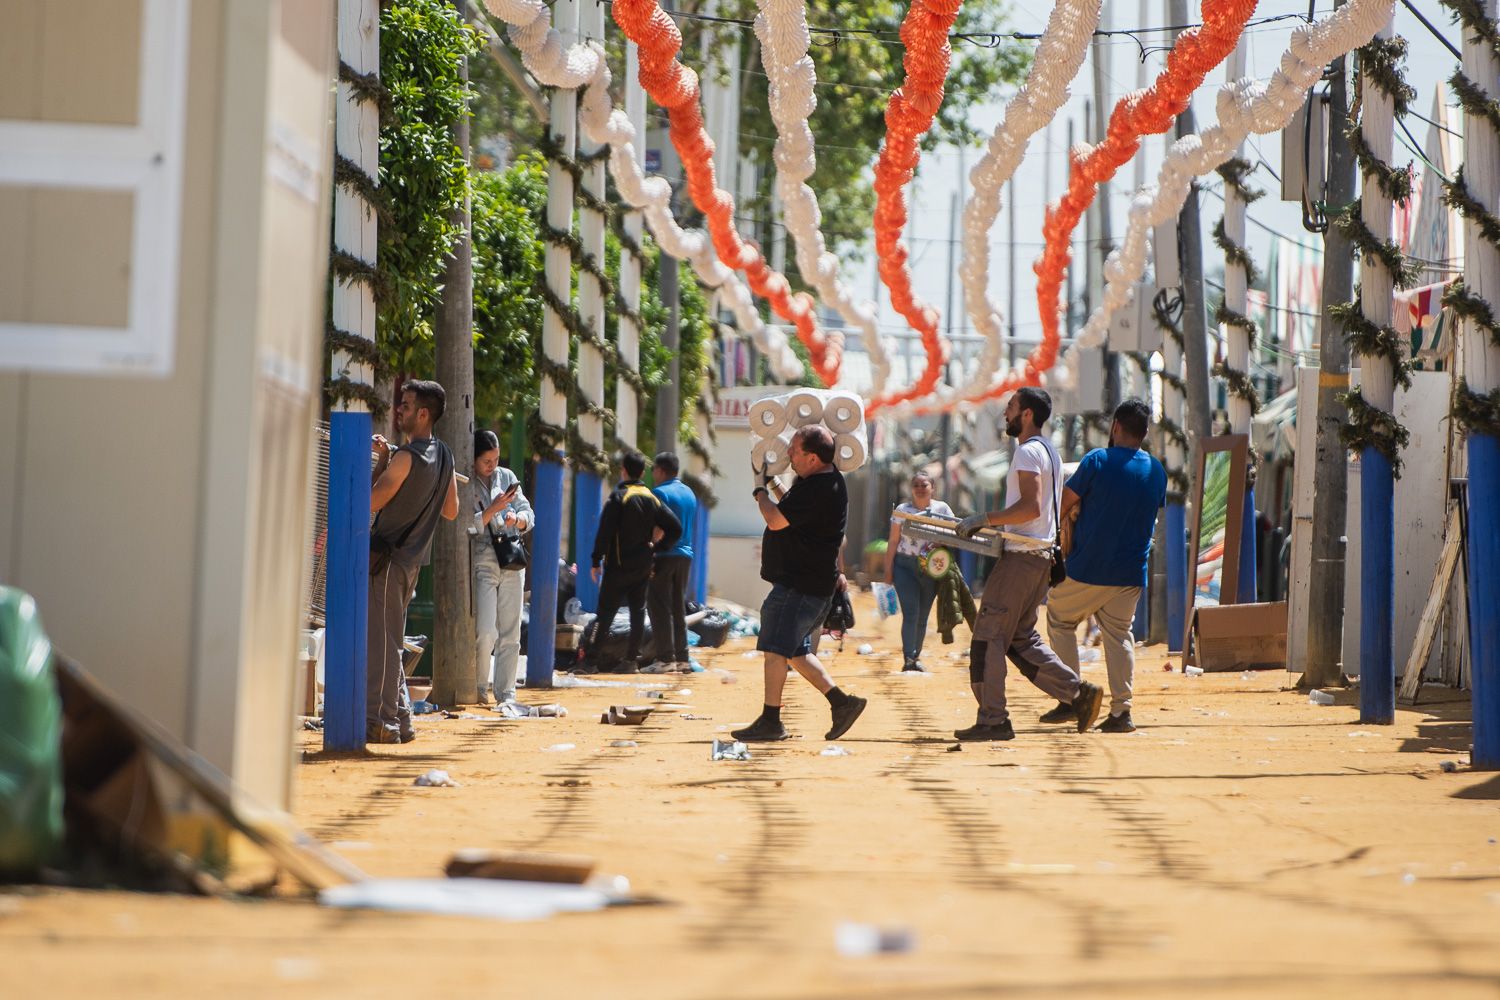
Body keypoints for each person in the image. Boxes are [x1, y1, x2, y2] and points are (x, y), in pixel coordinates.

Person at [953, 387, 1104, 741]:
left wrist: (984, 518)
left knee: (988, 636)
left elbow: (1030, 508)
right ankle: (1079, 695)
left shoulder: (1026, 452)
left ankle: (993, 719)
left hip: (1022, 559)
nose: (1005, 413)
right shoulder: (1049, 450)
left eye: (1010, 408)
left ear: (1026, 415)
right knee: (1020, 639)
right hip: (1040, 559)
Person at [1039, 398, 1166, 733]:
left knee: (1059, 620)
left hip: (1088, 568)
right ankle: (1122, 712)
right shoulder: (1157, 471)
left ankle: (1072, 697)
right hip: (1131, 573)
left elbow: (1063, 504)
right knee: (1119, 636)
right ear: (1145, 432)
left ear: (1115, 427)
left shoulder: (1097, 460)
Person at [733, 425, 867, 742]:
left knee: (775, 649)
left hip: (801, 585)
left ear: (810, 456)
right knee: (794, 651)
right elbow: (794, 511)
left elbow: (776, 519)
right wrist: (774, 484)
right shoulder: (819, 483)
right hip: (805, 583)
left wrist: (759, 492)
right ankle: (842, 703)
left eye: (794, 449)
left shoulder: (822, 487)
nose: (788, 454)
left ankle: (771, 720)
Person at [367, 380, 459, 745]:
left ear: (423, 413)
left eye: (404, 405)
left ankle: (382, 720)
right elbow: (451, 511)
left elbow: (370, 502)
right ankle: (402, 720)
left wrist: (384, 463)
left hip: (389, 561)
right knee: (392, 639)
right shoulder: (446, 455)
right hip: (413, 562)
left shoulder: (408, 457)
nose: (398, 411)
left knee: (384, 643)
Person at [582, 450, 682, 673]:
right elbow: (675, 527)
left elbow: (605, 531)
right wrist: (657, 548)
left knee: (605, 613)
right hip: (643, 566)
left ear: (623, 471)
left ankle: (590, 662)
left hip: (618, 567)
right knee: (638, 611)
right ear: (643, 472)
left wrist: (595, 560)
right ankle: (631, 661)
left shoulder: (619, 497)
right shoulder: (651, 498)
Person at [470, 429, 533, 706]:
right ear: (474, 459)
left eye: (496, 459)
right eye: (486, 461)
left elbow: (528, 514)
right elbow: (466, 526)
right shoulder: (467, 482)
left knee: (511, 631)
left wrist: (517, 519)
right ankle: (479, 687)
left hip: (511, 556)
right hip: (484, 556)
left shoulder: (507, 477)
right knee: (486, 631)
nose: (492, 466)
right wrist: (492, 510)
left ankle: (506, 692)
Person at [884, 472, 955, 672]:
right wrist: (888, 571)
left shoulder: (942, 509)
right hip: (904, 566)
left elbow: (952, 536)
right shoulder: (902, 510)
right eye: (916, 484)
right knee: (911, 612)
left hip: (932, 568)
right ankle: (908, 658)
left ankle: (916, 657)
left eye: (924, 484)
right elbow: (893, 541)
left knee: (923, 614)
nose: (920, 488)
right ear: (911, 488)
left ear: (933, 487)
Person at [645, 452, 699, 673]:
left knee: (658, 607)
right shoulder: (689, 493)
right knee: (678, 608)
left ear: (660, 470)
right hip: (685, 556)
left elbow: (658, 527)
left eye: (654, 470)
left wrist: (650, 551)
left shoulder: (659, 493)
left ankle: (665, 659)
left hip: (664, 555)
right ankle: (683, 658)